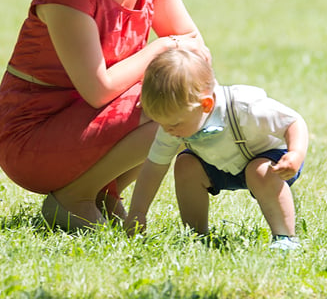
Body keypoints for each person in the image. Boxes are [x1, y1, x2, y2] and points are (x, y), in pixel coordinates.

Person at [0, 0, 210, 230]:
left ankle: (106, 195)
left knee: (184, 98)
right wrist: (161, 47)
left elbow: (198, 51)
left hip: (88, 123)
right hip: (33, 136)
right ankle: (74, 198)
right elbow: (98, 89)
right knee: (167, 97)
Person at [125, 49, 308, 250]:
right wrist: (138, 212)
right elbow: (154, 167)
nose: (168, 130)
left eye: (174, 124)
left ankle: (285, 238)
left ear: (206, 104)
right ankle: (197, 236)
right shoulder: (174, 124)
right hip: (222, 166)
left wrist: (295, 154)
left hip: (271, 163)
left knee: (259, 171)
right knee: (185, 164)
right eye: (162, 123)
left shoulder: (245, 106)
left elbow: (293, 122)